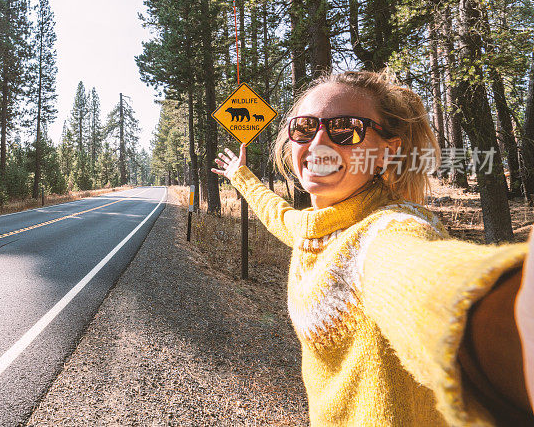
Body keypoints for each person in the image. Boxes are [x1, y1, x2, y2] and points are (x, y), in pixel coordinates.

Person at [211, 70, 534, 426]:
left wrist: (502, 311)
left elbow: (421, 279)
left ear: (386, 152)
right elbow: (281, 217)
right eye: (305, 127)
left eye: (346, 128)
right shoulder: (315, 228)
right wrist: (240, 176)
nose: (320, 141)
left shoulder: (386, 231)